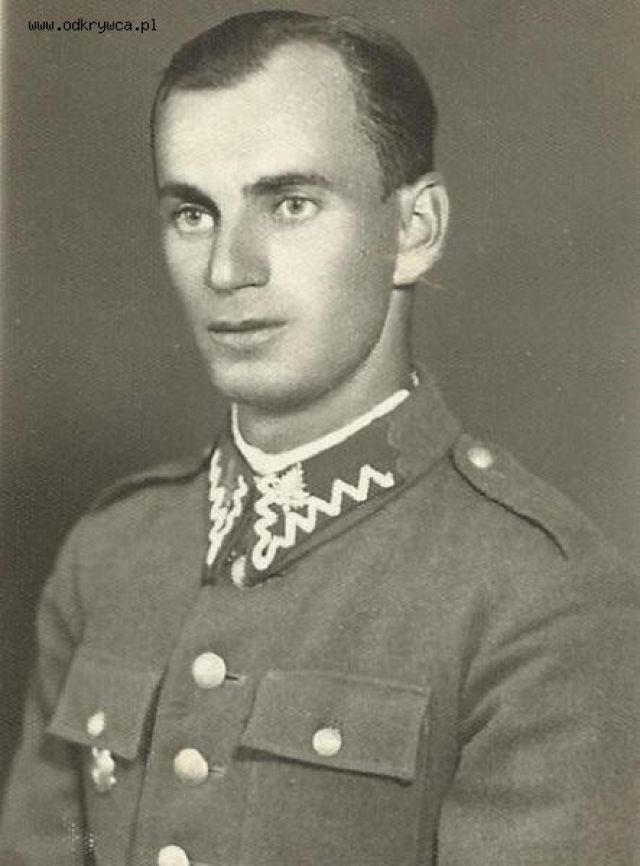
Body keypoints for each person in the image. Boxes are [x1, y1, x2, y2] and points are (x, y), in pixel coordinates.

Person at [1, 10, 638, 866]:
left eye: (291, 204)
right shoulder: (110, 554)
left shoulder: (538, 600)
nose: (229, 268)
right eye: (193, 213)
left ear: (414, 231)